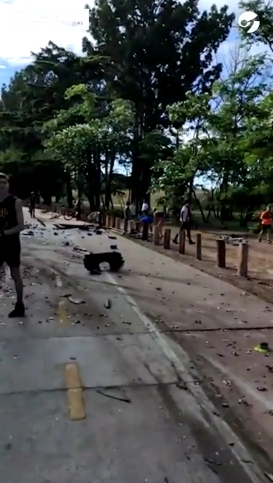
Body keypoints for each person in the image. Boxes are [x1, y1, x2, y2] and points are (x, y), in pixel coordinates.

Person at [0, 173, 25, 317]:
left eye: (4, 182)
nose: (2, 185)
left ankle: (19, 305)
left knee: (16, 275)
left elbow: (21, 225)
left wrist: (5, 233)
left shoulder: (15, 202)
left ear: (8, 185)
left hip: (11, 244)